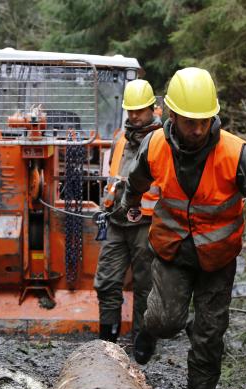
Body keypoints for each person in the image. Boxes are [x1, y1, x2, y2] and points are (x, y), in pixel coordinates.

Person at [121, 67, 246, 389]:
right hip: (172, 252)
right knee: (166, 321)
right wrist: (128, 203)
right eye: (190, 121)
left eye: (205, 120)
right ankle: (148, 330)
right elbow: (135, 180)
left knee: (210, 333)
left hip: (217, 260)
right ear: (173, 115)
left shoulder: (238, 155)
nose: (198, 129)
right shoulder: (154, 145)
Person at [94, 79, 162, 343]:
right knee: (106, 282)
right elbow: (111, 175)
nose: (134, 116)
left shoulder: (162, 141)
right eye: (130, 111)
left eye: (139, 111)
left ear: (151, 109)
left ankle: (141, 343)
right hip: (116, 222)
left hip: (147, 225)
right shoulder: (119, 140)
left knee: (145, 288)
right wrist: (105, 206)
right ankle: (106, 341)